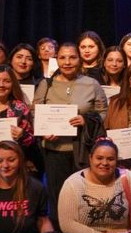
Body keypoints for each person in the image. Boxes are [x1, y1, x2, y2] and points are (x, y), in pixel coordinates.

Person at [33, 43, 108, 219]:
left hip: (82, 150)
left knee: (83, 196)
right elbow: (34, 112)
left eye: (72, 57)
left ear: (79, 59)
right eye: (62, 58)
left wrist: (86, 120)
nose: (67, 62)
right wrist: (43, 129)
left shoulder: (92, 84)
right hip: (54, 150)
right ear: (56, 60)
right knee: (57, 196)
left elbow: (103, 112)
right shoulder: (46, 84)